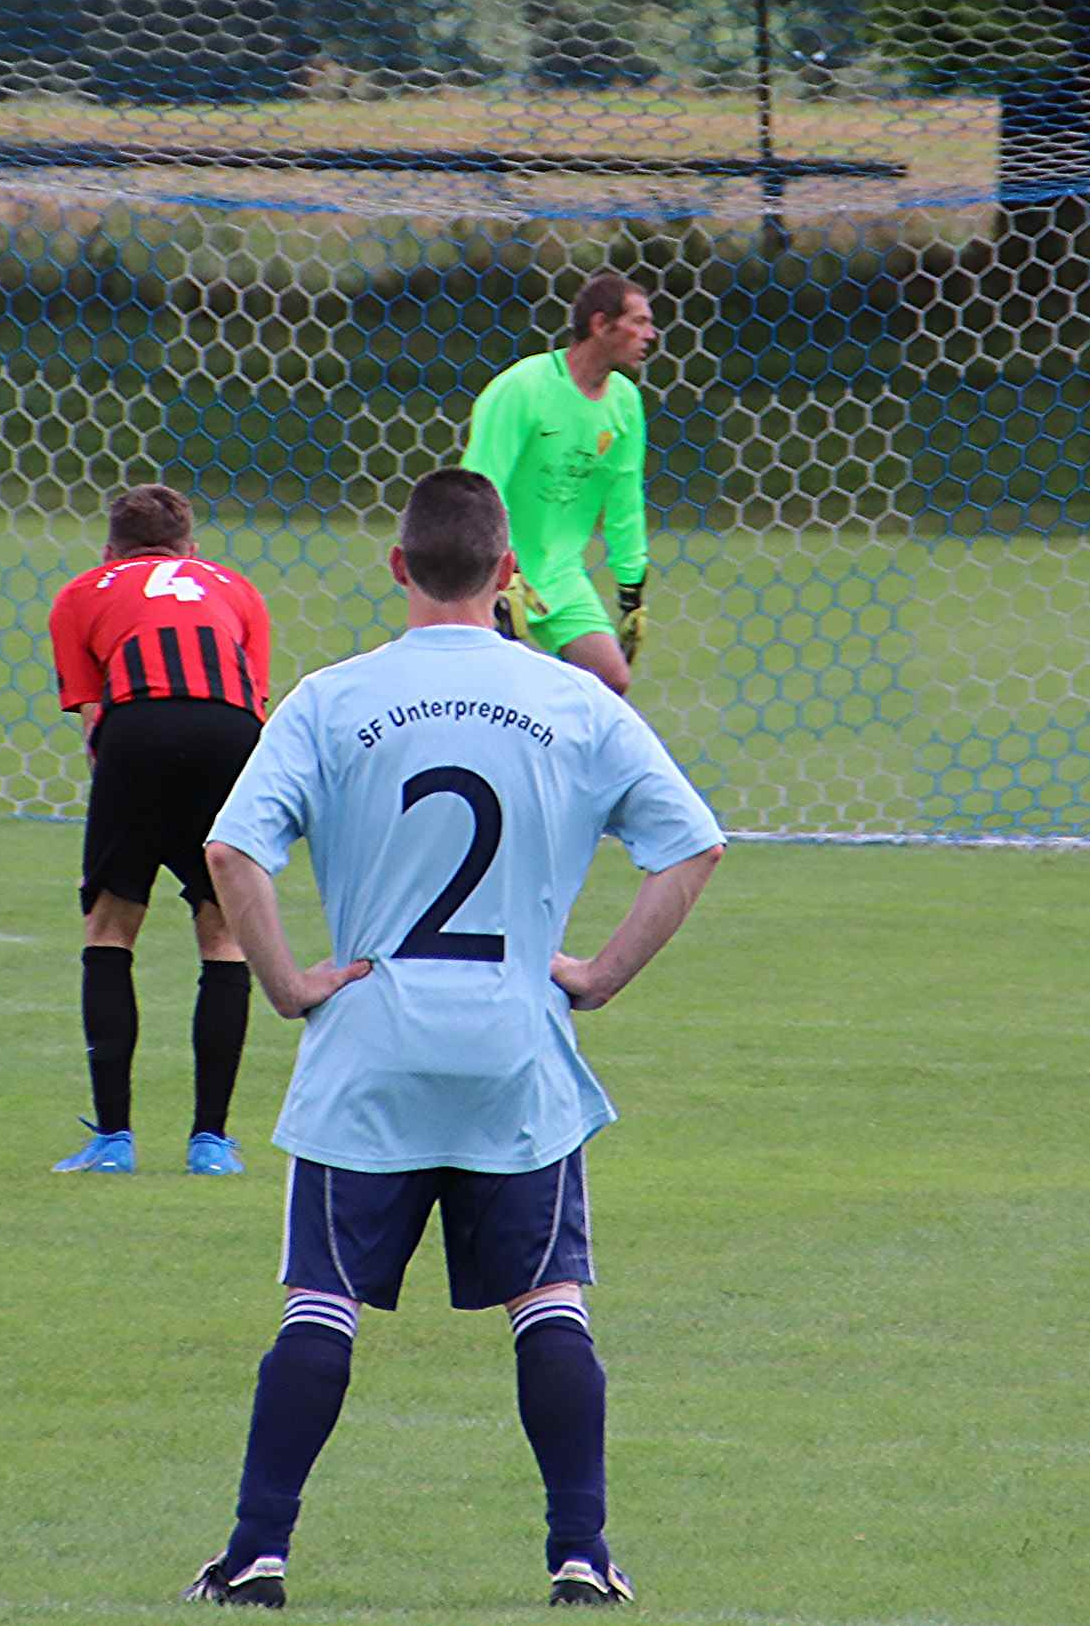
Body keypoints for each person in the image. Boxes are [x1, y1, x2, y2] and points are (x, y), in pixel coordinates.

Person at [181, 468, 724, 1610]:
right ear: (509, 573)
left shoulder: (332, 699)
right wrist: (599, 975)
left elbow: (231, 852)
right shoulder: (574, 701)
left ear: (398, 566)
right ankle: (581, 1554)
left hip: (369, 1054)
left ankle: (256, 1553)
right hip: (513, 1056)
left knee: (321, 1307)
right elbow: (693, 845)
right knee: (550, 1304)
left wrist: (286, 984)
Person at [44, 484, 275, 1177]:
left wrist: (128, 789)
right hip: (230, 732)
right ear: (190, 549)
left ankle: (114, 1140)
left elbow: (93, 716)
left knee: (111, 927)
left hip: (137, 727)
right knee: (223, 933)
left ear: (109, 550)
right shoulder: (237, 588)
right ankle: (211, 1143)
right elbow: (251, 699)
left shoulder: (81, 591)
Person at [457, 272, 655, 696]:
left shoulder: (624, 402)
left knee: (611, 679)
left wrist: (631, 588)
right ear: (600, 324)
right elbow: (478, 485)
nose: (650, 335)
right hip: (493, 572)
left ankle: (552, 735)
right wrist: (499, 568)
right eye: (638, 322)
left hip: (560, 575)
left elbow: (625, 501)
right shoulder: (523, 388)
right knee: (493, 693)